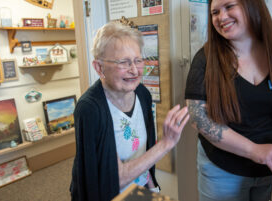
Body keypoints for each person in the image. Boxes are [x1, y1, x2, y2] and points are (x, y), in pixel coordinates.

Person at [70, 22, 189, 201]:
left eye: (138, 60)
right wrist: (166, 143)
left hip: (139, 191)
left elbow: (144, 154)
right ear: (99, 67)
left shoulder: (142, 94)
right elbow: (113, 179)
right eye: (124, 62)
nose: (134, 70)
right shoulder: (90, 109)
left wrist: (153, 189)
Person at [185, 0, 272, 201]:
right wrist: (254, 150)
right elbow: (198, 117)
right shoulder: (206, 58)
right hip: (222, 170)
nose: (221, 17)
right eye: (215, 12)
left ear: (252, 6)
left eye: (229, 6)